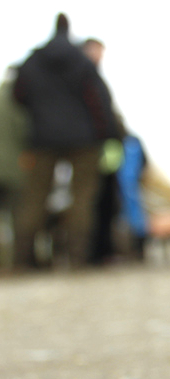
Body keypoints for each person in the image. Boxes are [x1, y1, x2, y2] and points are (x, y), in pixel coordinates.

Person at [13, 13, 121, 270]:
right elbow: (99, 99)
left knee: (35, 197)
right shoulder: (82, 61)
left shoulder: (32, 61)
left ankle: (23, 259)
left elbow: (18, 94)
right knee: (82, 197)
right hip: (83, 139)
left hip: (42, 136)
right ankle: (78, 257)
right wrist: (106, 134)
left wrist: (38, 115)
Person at [83, 37, 126, 265]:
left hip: (106, 149)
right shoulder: (85, 77)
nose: (100, 56)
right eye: (97, 51)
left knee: (108, 200)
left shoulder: (94, 77)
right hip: (97, 148)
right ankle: (98, 251)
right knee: (100, 201)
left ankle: (103, 250)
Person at [0, 66, 29, 269]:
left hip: (10, 166)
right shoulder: (19, 101)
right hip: (13, 168)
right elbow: (25, 131)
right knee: (16, 218)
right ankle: (13, 262)